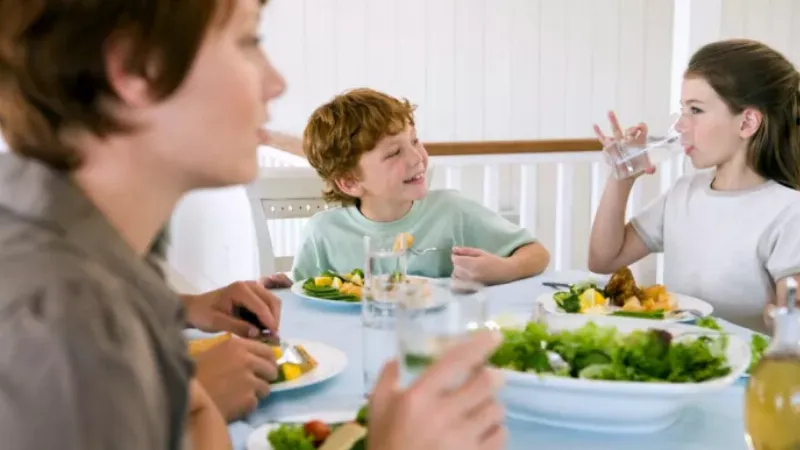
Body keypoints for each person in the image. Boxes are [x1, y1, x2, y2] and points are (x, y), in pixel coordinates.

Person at [0, 1, 507, 449]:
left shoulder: (80, 248)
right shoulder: (58, 320)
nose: (276, 82)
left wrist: (183, 321)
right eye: (248, 40)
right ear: (137, 69)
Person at [588, 38, 800, 333]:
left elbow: (791, 330)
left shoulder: (788, 212)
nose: (680, 126)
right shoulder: (683, 193)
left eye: (696, 110)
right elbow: (603, 259)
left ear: (747, 122)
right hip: (681, 363)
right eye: (682, 110)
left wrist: (779, 314)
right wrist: (621, 177)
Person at [292, 88, 550, 284]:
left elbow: (536, 253)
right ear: (350, 182)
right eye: (394, 153)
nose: (417, 158)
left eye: (415, 142)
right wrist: (283, 286)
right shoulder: (322, 233)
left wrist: (504, 269)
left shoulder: (451, 211)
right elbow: (300, 293)